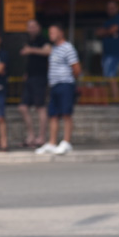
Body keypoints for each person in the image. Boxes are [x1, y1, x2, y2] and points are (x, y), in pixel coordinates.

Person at [36, 24, 81, 155]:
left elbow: (76, 68)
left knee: (66, 114)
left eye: (53, 32)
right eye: (50, 33)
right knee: (53, 115)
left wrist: (68, 79)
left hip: (65, 84)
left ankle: (66, 142)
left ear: (61, 33)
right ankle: (52, 142)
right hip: (54, 85)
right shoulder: (54, 48)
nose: (51, 35)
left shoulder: (68, 48)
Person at [18, 19, 50, 148]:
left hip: (40, 77)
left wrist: (31, 50)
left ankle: (41, 137)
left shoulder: (43, 40)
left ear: (39, 27)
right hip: (30, 77)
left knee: (40, 107)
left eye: (34, 26)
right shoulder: (29, 41)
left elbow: (48, 51)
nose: (31, 29)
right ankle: (31, 136)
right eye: (29, 26)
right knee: (23, 107)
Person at [95, 1, 119, 102]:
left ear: (117, 8)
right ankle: (111, 98)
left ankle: (116, 99)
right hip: (106, 53)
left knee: (111, 75)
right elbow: (98, 32)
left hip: (115, 53)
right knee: (107, 76)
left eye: (112, 8)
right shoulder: (108, 21)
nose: (110, 10)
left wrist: (105, 31)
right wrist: (107, 31)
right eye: (108, 8)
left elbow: (112, 30)